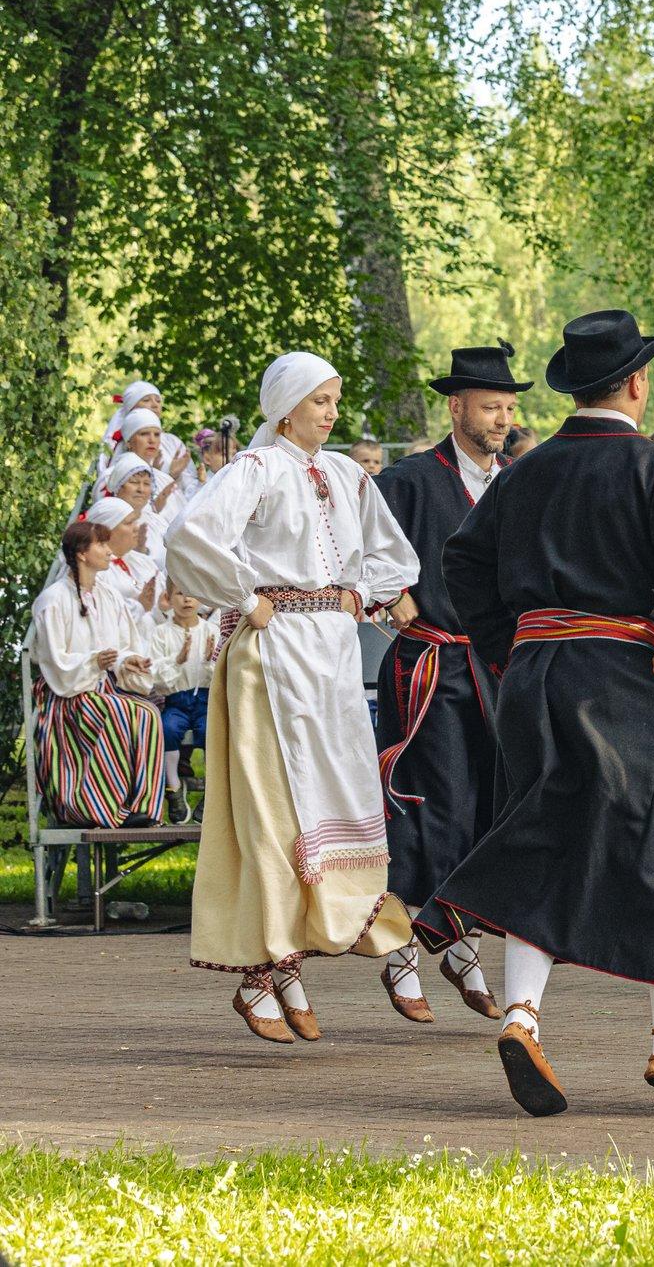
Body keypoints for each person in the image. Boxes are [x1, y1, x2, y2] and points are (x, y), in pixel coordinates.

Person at [411, 309, 654, 1115]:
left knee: (544, 836)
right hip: (625, 673)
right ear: (634, 382)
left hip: (534, 676)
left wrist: (507, 647)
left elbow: (462, 557)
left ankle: (522, 1014)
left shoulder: (525, 471)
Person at [167, 351, 421, 1045]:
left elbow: (392, 556)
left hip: (333, 657)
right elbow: (190, 536)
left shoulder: (344, 472)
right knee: (273, 812)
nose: (331, 411)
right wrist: (245, 597)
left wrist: (361, 596)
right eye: (319, 400)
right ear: (284, 407)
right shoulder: (256, 468)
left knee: (343, 800)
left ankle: (365, 940)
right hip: (271, 657)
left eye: (335, 398)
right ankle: (271, 967)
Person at [371, 342, 532, 1024]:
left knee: (486, 808)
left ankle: (455, 938)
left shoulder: (517, 483)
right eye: (490, 406)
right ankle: (404, 947)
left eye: (507, 408)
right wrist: (393, 593)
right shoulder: (408, 480)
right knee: (430, 802)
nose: (501, 419)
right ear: (456, 405)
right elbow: (359, 545)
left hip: (494, 668)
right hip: (429, 663)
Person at [31, 519, 166, 832]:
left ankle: (141, 807)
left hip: (101, 690)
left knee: (147, 714)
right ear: (81, 553)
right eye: (102, 545)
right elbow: (55, 662)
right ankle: (98, 804)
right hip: (66, 698)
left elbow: (120, 648)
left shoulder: (108, 596)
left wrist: (128, 662)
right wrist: (94, 661)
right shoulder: (53, 600)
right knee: (121, 713)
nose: (108, 551)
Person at [148, 580, 219, 824]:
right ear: (169, 597)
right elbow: (157, 678)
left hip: (206, 700)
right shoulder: (161, 633)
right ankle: (174, 787)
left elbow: (221, 674)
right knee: (167, 728)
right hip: (176, 699)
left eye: (192, 593)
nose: (187, 600)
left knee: (211, 730)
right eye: (180, 594)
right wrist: (178, 661)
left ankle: (212, 794)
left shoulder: (211, 631)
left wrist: (210, 661)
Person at [104, 379, 198, 497]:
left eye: (158, 401)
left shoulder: (173, 442)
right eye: (146, 400)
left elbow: (190, 486)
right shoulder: (120, 446)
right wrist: (167, 474)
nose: (155, 405)